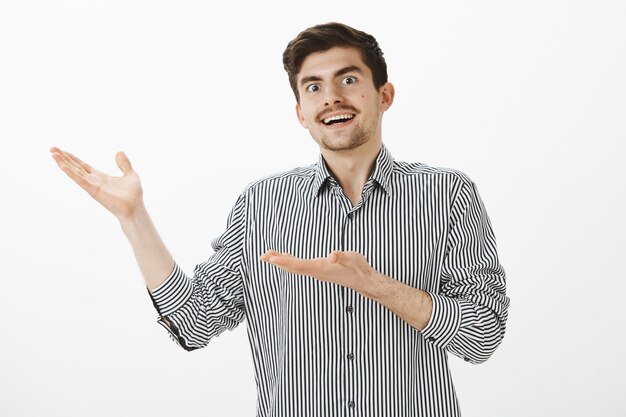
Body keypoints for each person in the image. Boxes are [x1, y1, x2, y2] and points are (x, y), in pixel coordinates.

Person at [51, 22, 509, 417]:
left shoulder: (448, 195)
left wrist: (377, 285)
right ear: (300, 113)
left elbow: (484, 335)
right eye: (313, 87)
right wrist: (133, 218)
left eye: (348, 80)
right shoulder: (261, 204)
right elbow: (194, 323)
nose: (331, 98)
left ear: (384, 95)